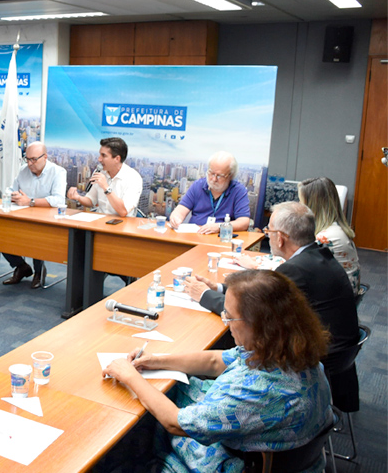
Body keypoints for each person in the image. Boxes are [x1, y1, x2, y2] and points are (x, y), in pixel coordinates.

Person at [102, 270, 333, 473]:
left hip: (230, 462)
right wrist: (157, 360)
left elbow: (175, 423)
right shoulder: (288, 349)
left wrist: (130, 376)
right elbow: (215, 361)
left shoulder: (257, 391)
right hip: (276, 455)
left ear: (260, 324)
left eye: (230, 316)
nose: (226, 323)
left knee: (131, 430)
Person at [186, 201, 359, 359]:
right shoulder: (318, 255)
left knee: (225, 341)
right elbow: (262, 292)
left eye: (268, 231)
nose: (267, 236)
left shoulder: (295, 270)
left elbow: (249, 312)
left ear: (281, 238)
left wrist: (204, 295)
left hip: (317, 358)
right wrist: (218, 287)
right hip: (337, 352)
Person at [1, 141, 67, 288]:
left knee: (36, 237)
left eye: (34, 159)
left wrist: (30, 201)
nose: (30, 163)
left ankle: (38, 272)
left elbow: (58, 200)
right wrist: (13, 195)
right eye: (27, 159)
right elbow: (12, 190)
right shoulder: (23, 170)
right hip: (21, 217)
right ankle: (21, 267)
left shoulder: (58, 172)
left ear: (45, 157)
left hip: (45, 221)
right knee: (0, 234)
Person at [299, 177, 361, 296]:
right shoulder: (337, 228)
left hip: (335, 301)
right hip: (344, 294)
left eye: (302, 202)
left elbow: (300, 268)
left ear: (312, 205)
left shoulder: (325, 237)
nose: (299, 206)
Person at [168, 151, 250, 234]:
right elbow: (180, 210)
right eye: (211, 173)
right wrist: (175, 218)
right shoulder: (198, 185)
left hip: (221, 238)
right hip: (195, 235)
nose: (214, 179)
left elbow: (244, 222)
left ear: (230, 176)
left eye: (219, 176)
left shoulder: (238, 190)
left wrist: (219, 227)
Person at [67, 137, 142, 217]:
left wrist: (106, 187)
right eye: (100, 154)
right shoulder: (99, 172)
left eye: (104, 155)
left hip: (122, 225)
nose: (99, 159)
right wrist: (78, 197)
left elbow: (123, 211)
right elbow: (91, 201)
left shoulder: (134, 178)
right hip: (100, 222)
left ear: (117, 159)